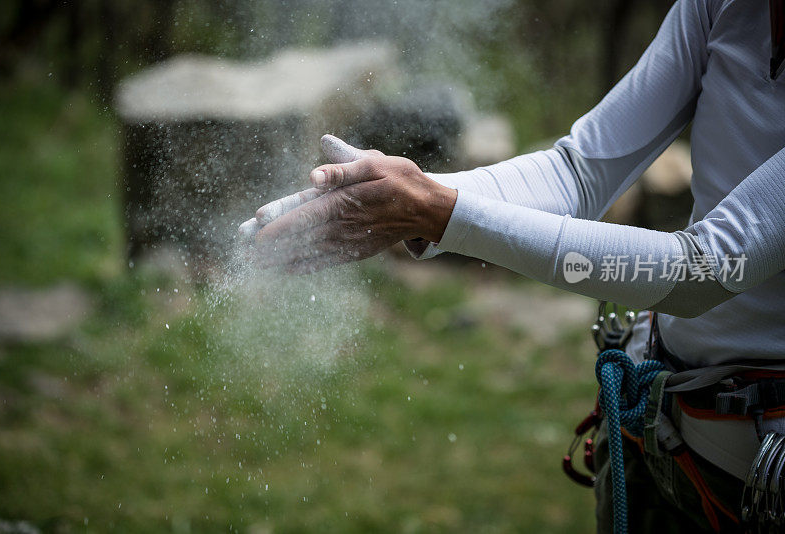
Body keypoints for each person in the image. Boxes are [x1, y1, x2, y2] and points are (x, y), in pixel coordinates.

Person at [241, 1, 785, 532]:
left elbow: (702, 271)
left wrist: (434, 211)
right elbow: (579, 171)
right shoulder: (723, 7)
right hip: (659, 432)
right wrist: (393, 192)